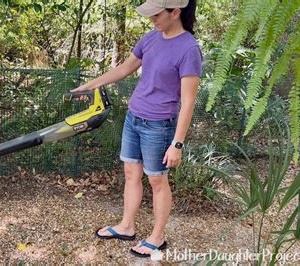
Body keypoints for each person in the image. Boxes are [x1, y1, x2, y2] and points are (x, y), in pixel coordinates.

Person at [72, 0, 202, 258]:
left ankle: (158, 236)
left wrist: (177, 143)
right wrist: (89, 86)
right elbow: (125, 68)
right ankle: (127, 226)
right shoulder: (151, 38)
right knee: (131, 173)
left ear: (175, 13)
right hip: (134, 118)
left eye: (156, 14)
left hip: (159, 124)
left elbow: (188, 101)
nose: (151, 19)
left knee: (157, 180)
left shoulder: (189, 49)